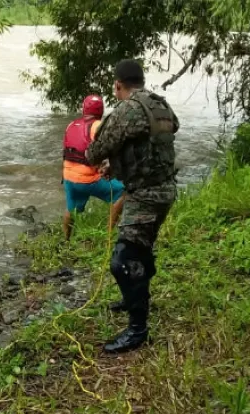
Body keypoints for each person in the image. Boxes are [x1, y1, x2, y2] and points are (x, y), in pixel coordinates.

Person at [86, 59, 179, 354]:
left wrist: (106, 158)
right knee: (142, 249)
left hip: (145, 196)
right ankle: (133, 298)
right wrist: (119, 165)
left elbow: (93, 152)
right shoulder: (160, 105)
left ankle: (138, 330)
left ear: (117, 85)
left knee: (124, 261)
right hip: (165, 190)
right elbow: (159, 139)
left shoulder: (127, 110)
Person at [61, 95, 125, 241]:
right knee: (123, 192)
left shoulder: (71, 125)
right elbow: (108, 149)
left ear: (84, 109)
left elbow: (66, 152)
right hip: (89, 180)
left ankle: (65, 240)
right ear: (101, 111)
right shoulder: (98, 126)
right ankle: (109, 234)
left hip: (69, 178)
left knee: (71, 209)